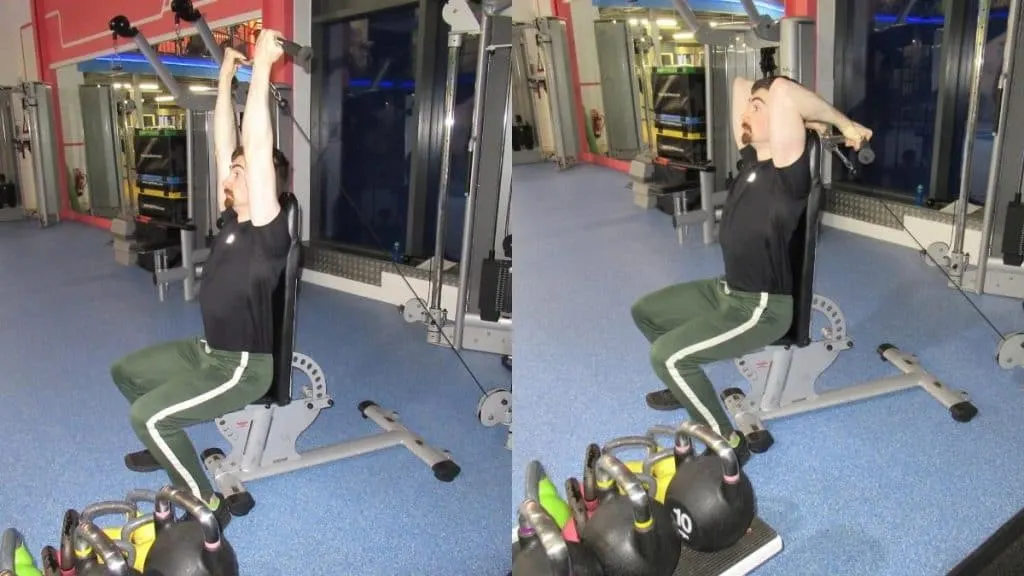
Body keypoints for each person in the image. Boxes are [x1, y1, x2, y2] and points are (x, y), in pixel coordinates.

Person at [632, 76, 872, 462]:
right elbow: (744, 83)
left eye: (756, 109)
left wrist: (840, 124)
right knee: (645, 311)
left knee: (668, 357)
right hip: (727, 290)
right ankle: (686, 390)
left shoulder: (788, 174)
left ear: (782, 121)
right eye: (749, 108)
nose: (745, 113)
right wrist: (769, 105)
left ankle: (728, 444)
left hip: (760, 308)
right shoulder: (750, 160)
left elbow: (781, 91)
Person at [109, 29, 292, 525]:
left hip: (240, 367)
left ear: (263, 182)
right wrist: (228, 76)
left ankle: (206, 505)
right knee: (126, 372)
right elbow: (226, 145)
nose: (229, 177)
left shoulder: (268, 232)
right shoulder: (233, 218)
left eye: (240, 173)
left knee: (145, 414)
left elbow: (255, 144)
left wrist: (261, 68)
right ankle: (170, 447)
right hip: (206, 349)